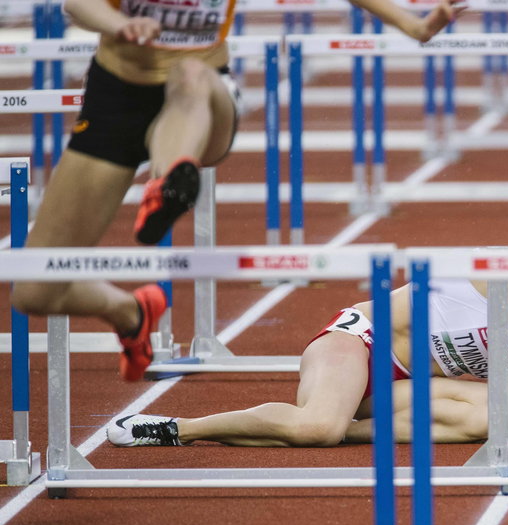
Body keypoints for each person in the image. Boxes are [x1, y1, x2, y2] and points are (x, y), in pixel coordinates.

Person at [10, 0, 467, 382]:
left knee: (187, 74)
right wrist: (120, 23)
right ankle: (130, 311)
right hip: (117, 98)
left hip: (202, 98)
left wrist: (413, 23)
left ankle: (168, 185)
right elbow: (78, 4)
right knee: (35, 290)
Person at [106, 217, 508, 448]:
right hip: (359, 344)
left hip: (401, 385)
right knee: (320, 428)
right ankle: (177, 427)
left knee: (494, 417)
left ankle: (332, 427)